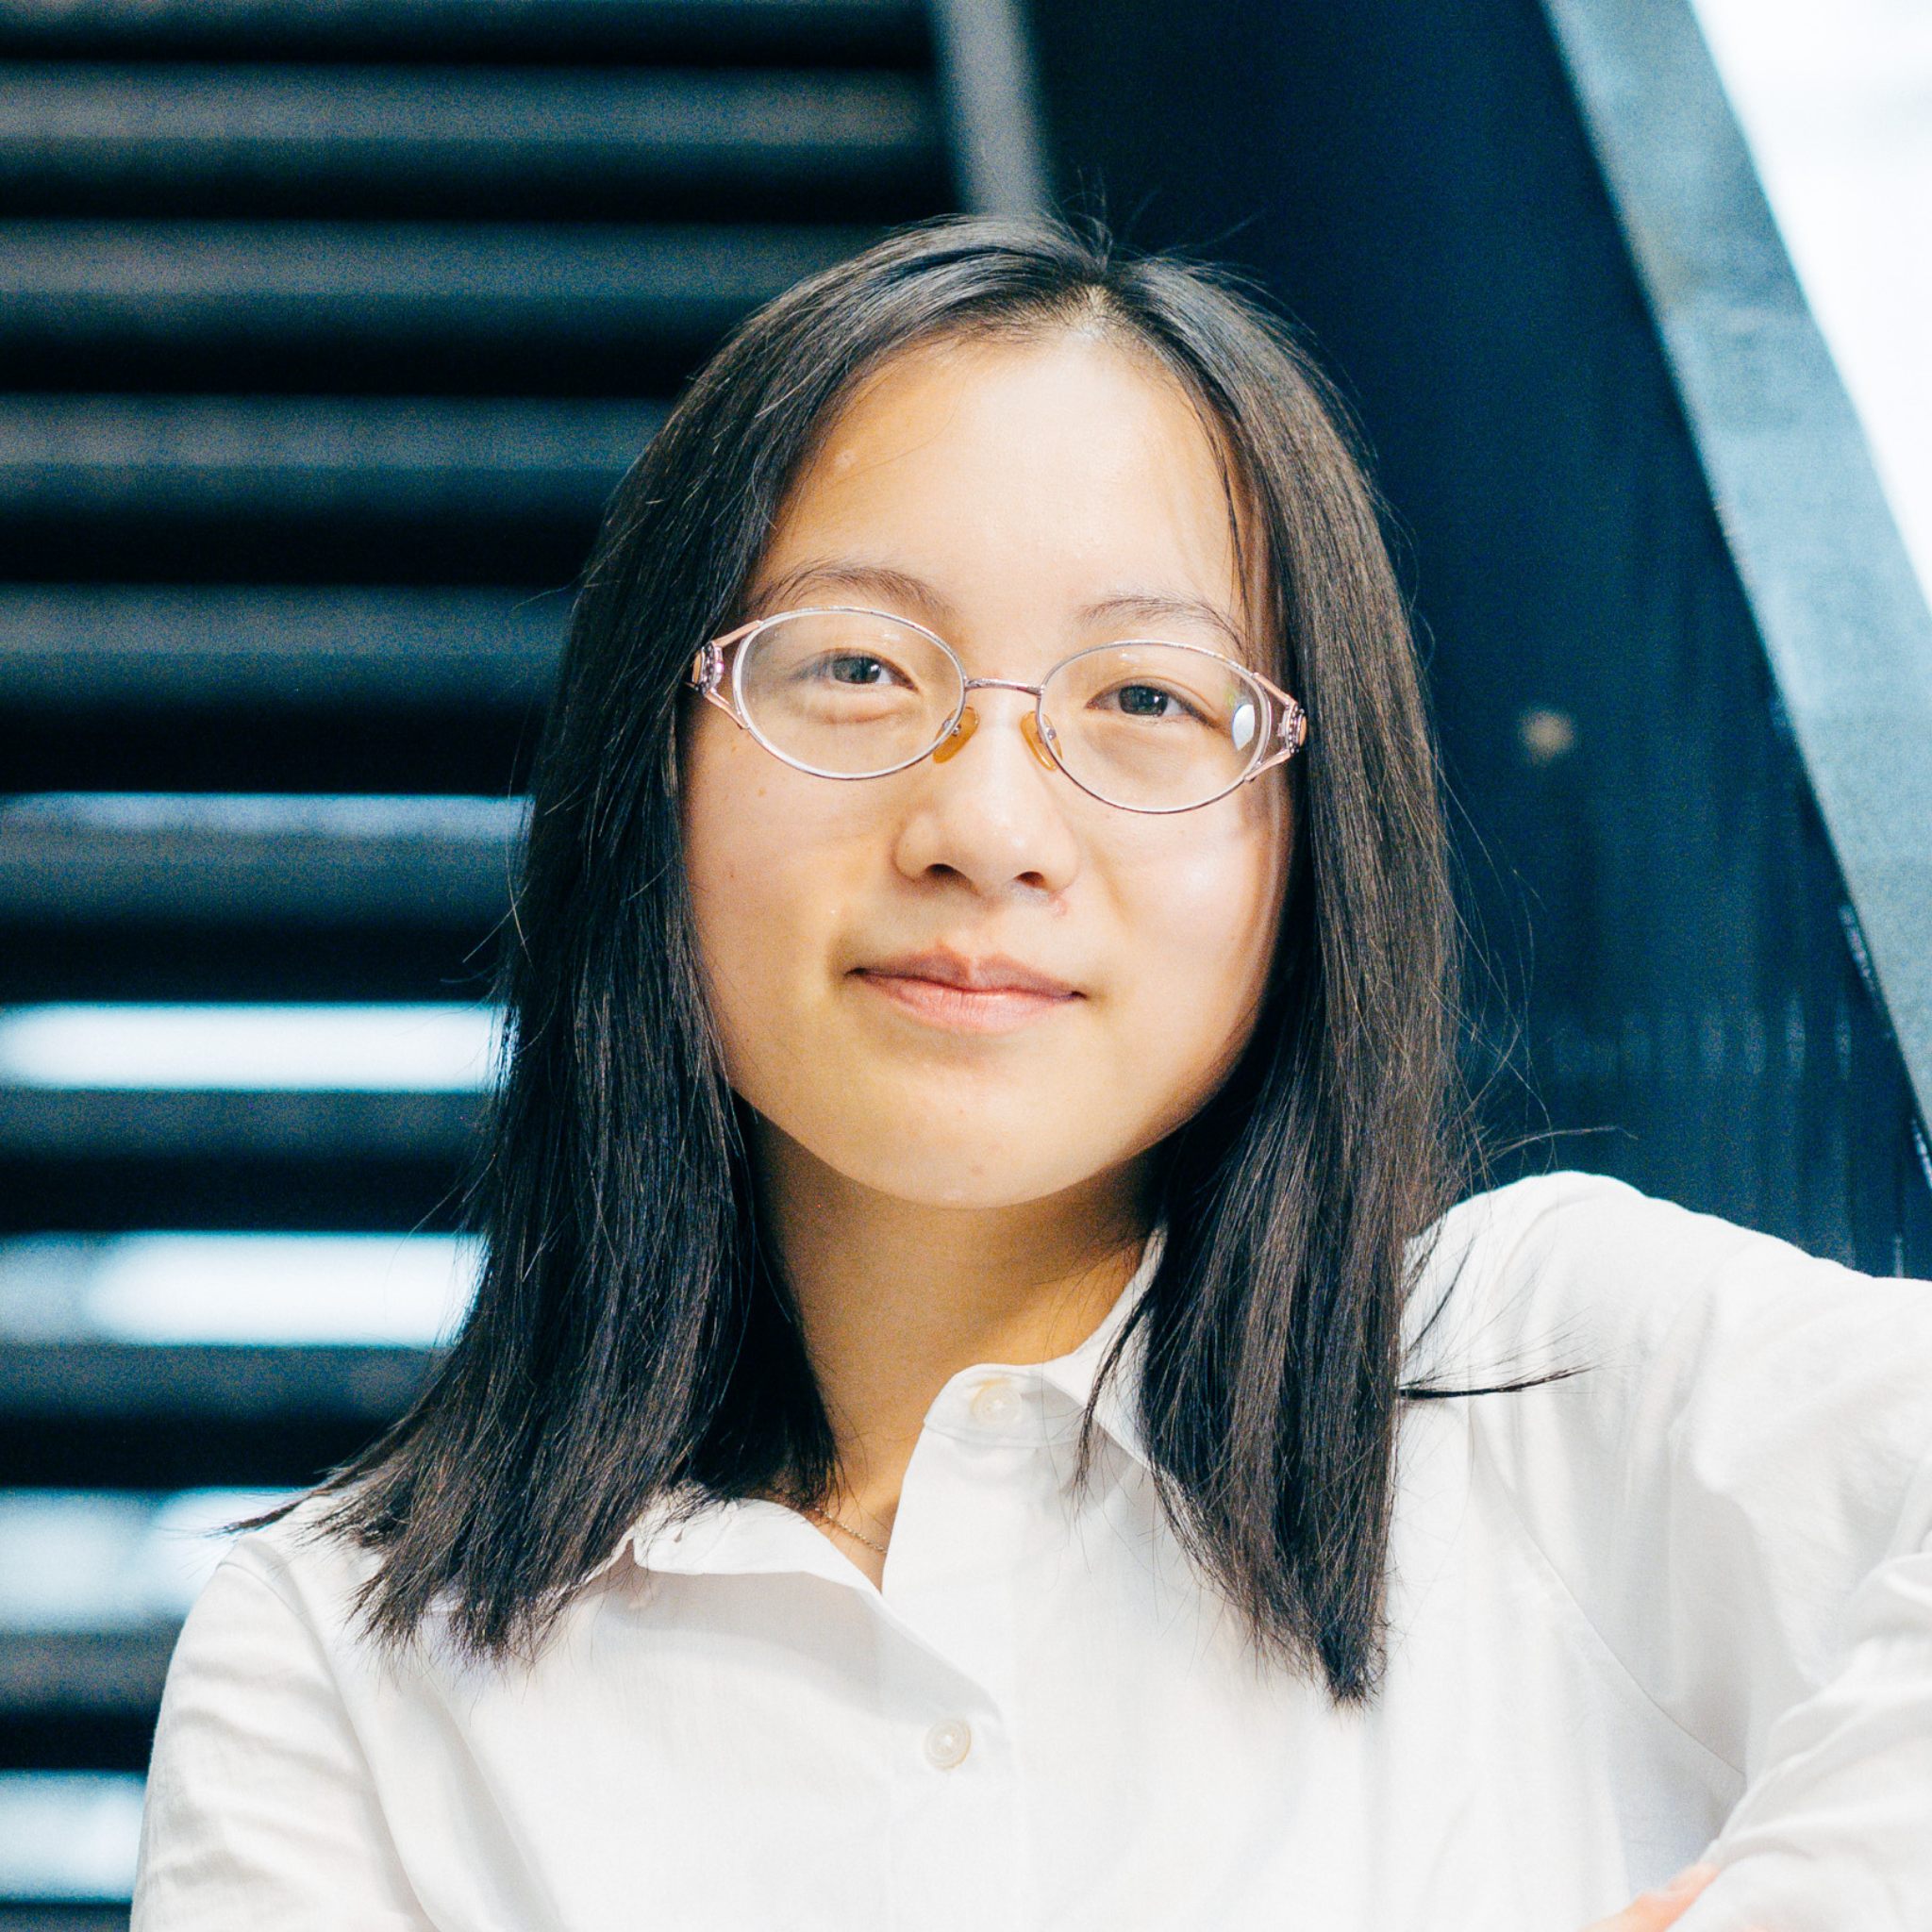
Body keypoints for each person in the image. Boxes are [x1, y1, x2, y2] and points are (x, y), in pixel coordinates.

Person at [132, 220, 1932, 1931]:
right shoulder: (345, 1667)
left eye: (1148, 699)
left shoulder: (1550, 1387)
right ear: (648, 768)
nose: (986, 826)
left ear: (1315, 835)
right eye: (854, 667)